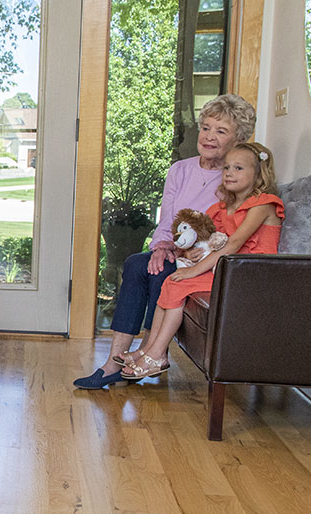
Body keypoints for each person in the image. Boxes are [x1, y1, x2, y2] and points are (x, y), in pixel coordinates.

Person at [75, 94, 257, 389]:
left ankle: (147, 355)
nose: (209, 137)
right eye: (206, 128)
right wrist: (160, 246)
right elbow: (167, 220)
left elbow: (225, 229)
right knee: (138, 263)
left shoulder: (235, 177)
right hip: (172, 248)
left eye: (221, 131)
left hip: (202, 257)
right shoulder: (180, 170)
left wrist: (182, 250)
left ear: (240, 138)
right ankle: (115, 361)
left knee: (160, 269)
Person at [120, 142, 283, 379]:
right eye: (226, 168)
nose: (229, 173)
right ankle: (148, 350)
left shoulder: (263, 204)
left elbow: (234, 245)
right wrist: (191, 254)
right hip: (227, 269)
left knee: (181, 282)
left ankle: (157, 354)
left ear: (258, 174)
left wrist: (194, 271)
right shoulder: (221, 207)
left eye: (238, 168)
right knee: (171, 282)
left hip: (252, 274)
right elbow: (204, 239)